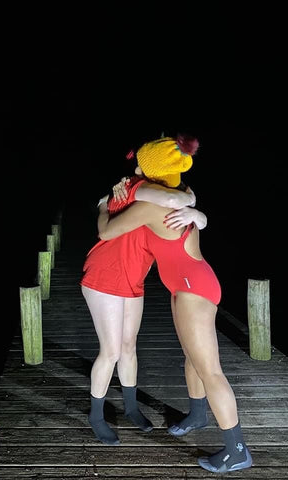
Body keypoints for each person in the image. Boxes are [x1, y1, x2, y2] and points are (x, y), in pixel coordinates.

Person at [96, 136, 253, 473]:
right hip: (191, 283)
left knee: (210, 370)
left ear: (149, 171)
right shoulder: (179, 191)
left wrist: (102, 206)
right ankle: (197, 414)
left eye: (140, 164)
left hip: (192, 291)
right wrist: (197, 212)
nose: (135, 168)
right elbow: (183, 197)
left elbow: (107, 232)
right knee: (192, 359)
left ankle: (237, 450)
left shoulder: (151, 206)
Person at [80, 143, 207, 446]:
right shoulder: (135, 188)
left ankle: (132, 407)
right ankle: (96, 415)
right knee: (110, 350)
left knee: (128, 345)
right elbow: (170, 196)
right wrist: (191, 202)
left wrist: (197, 213)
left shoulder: (166, 195)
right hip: (103, 275)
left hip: (133, 278)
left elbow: (178, 197)